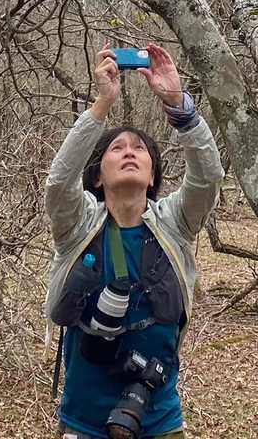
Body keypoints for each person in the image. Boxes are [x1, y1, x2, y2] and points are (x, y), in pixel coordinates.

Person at [45, 43, 225, 439]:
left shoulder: (175, 224)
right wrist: (101, 106)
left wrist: (179, 106)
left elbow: (208, 178)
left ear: (152, 175)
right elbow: (59, 182)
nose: (130, 152)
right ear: (97, 176)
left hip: (159, 418)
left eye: (140, 149)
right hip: (82, 422)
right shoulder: (78, 226)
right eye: (117, 148)